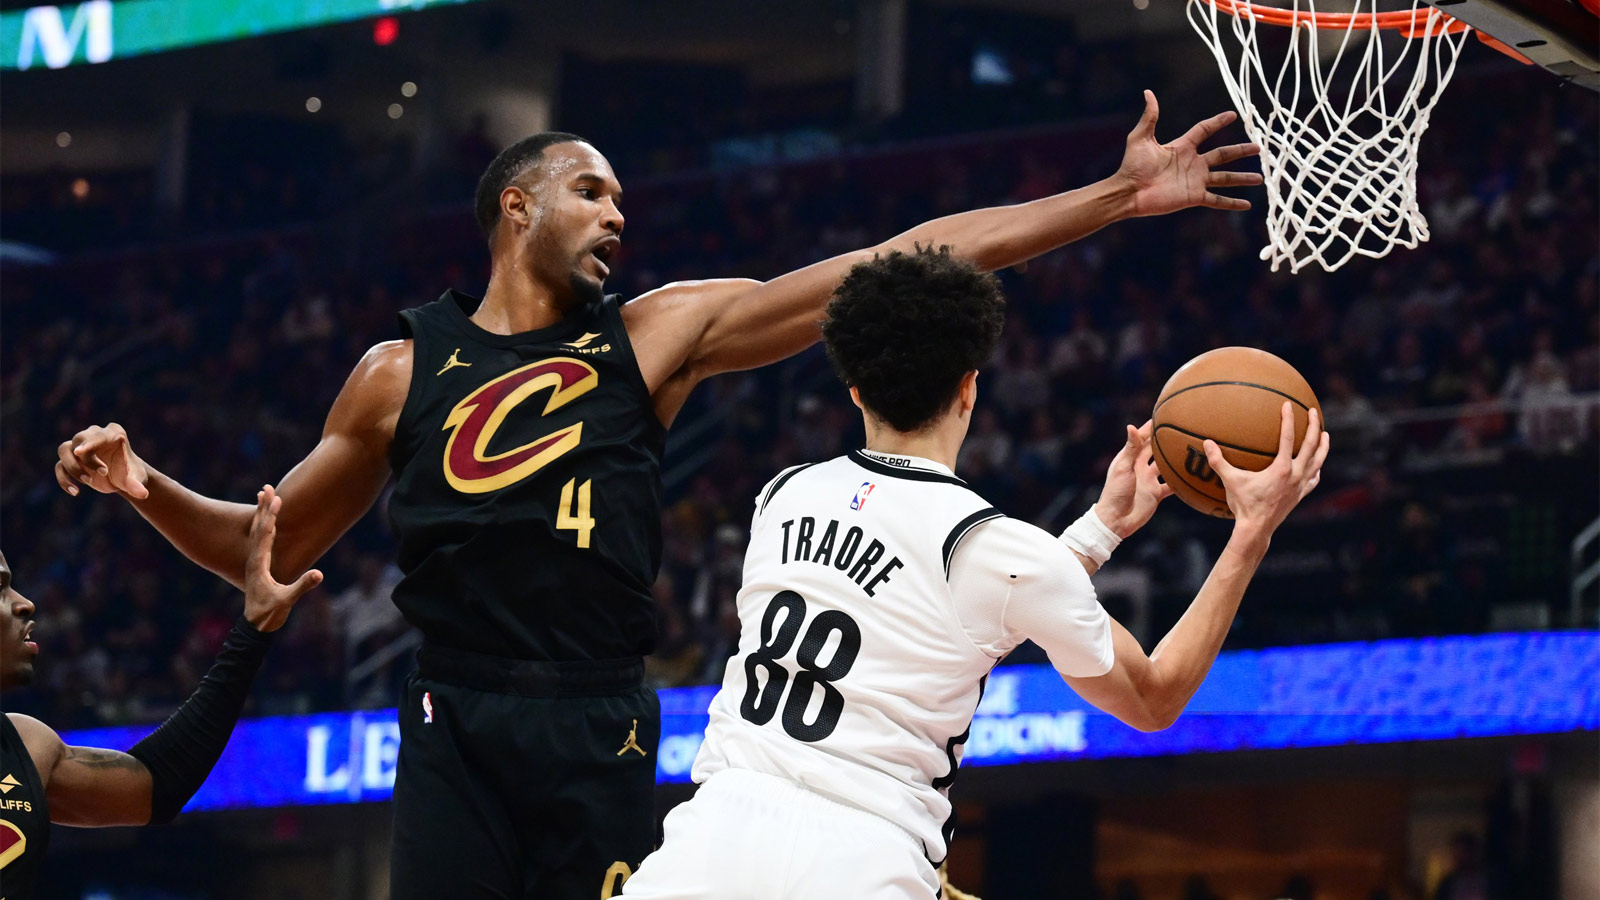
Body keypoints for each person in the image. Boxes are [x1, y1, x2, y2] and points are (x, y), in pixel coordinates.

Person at [54, 92, 1261, 898]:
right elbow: (258, 550)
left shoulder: (652, 335)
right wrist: (144, 484)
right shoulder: (397, 373)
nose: (618, 215)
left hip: (600, 719)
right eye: (592, 192)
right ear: (514, 206)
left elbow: (899, 261)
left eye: (623, 199)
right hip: (454, 720)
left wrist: (1109, 199)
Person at [621, 249, 1329, 899]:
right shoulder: (1002, 551)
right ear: (969, 390)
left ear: (856, 390)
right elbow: (1152, 698)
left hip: (705, 844)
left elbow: (941, 606)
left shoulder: (782, 496)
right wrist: (1251, 533)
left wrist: (1100, 529)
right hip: (861, 860)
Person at [0, 486, 321, 900]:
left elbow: (156, 783)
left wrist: (253, 629)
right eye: (2, 588)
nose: (25, 604)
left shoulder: (27, 746)